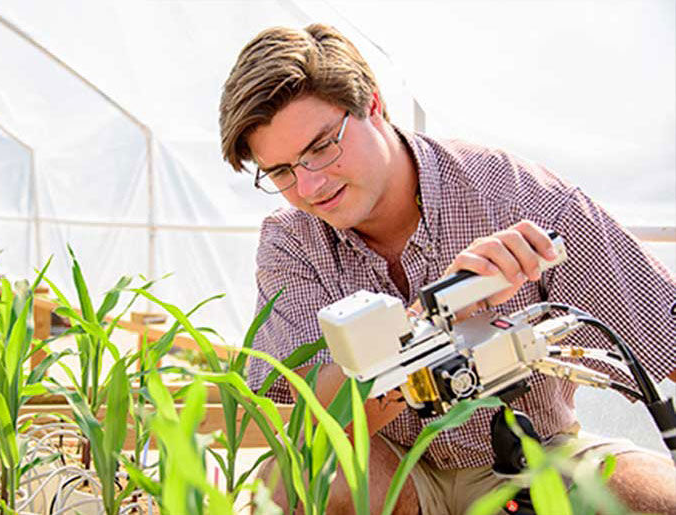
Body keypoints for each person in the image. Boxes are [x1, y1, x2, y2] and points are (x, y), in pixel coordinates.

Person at [219, 23, 676, 515]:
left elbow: (664, 332)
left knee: (651, 498)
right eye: (283, 172)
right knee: (308, 477)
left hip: (535, 452)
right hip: (394, 464)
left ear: (373, 105)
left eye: (322, 147)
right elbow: (317, 420)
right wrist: (429, 324)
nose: (308, 187)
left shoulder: (516, 196)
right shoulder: (291, 241)